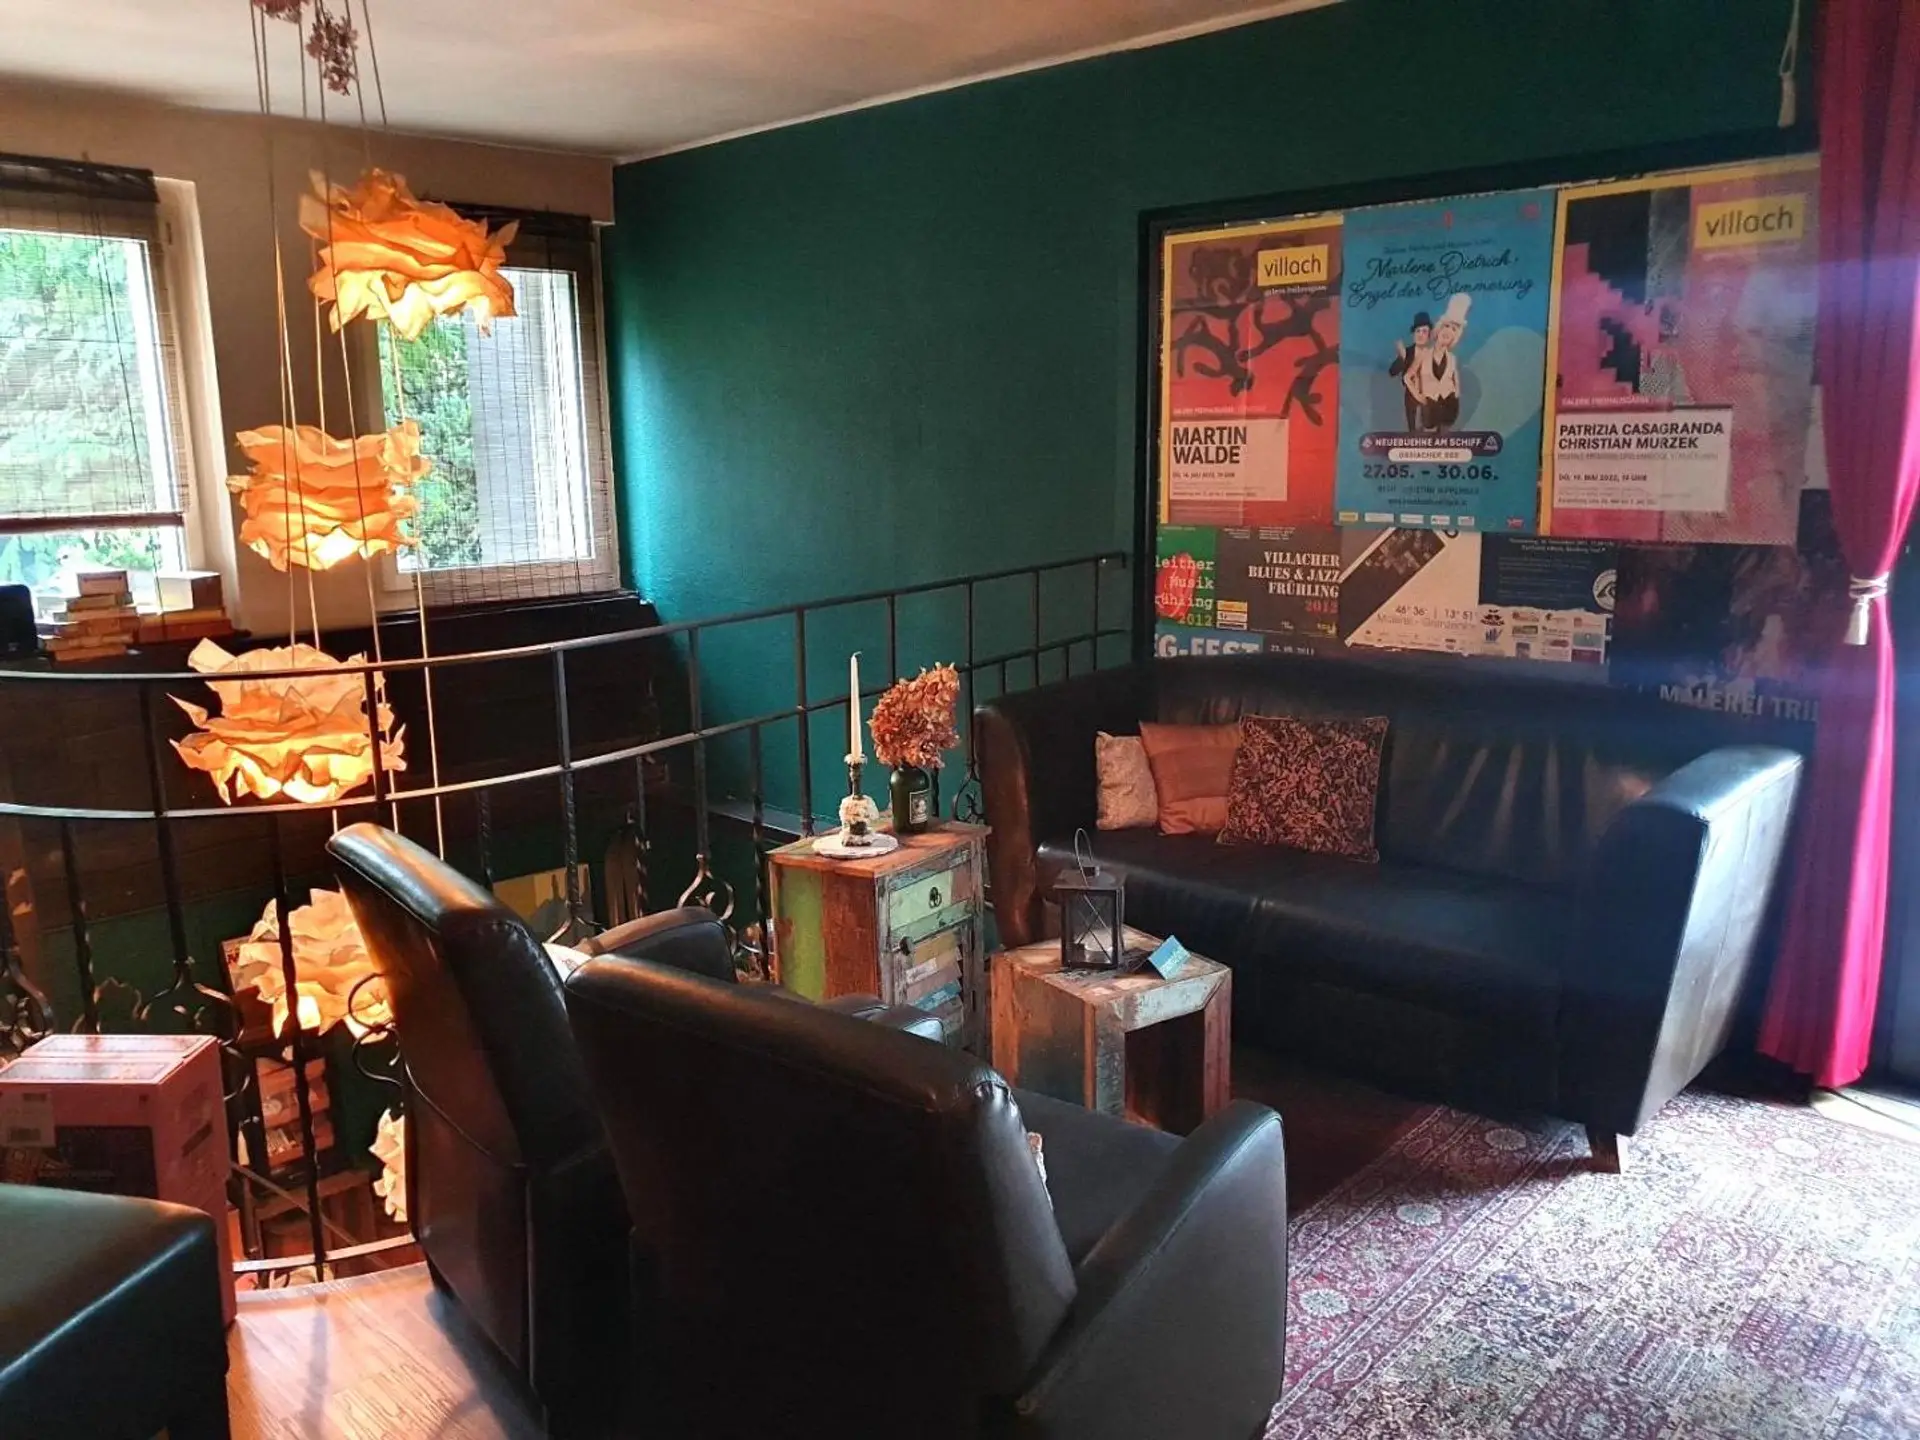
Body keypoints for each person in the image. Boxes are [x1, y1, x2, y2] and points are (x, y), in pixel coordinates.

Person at [1411, 293, 1470, 432]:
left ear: (1455, 337)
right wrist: (1418, 395)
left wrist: (1456, 393)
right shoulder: (1423, 354)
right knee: (1428, 435)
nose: (1448, 331)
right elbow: (1410, 376)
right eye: (1447, 326)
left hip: (1449, 405)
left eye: (1454, 329)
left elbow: (1455, 377)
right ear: (1439, 328)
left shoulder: (1452, 358)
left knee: (1445, 437)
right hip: (1429, 405)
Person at [1388, 311, 1432, 430]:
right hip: (1411, 400)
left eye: (1424, 331)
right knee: (1412, 433)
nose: (1420, 335)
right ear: (1413, 334)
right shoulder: (1407, 353)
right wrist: (1402, 358)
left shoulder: (1433, 354)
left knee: (1429, 431)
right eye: (1418, 331)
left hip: (1429, 399)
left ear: (1429, 335)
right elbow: (1392, 372)